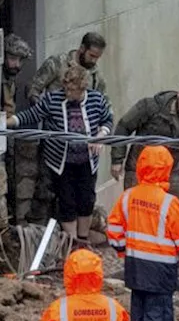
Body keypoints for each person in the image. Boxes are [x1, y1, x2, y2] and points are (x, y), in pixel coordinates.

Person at [106, 145, 179, 321]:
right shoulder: (169, 203)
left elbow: (113, 230)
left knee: (139, 318)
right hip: (161, 269)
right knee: (159, 320)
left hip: (134, 266)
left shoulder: (128, 197)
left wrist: (124, 251)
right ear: (166, 169)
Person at [8, 64, 113, 243]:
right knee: (67, 202)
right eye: (67, 89)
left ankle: (83, 239)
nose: (68, 93)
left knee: (86, 200)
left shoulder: (96, 99)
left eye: (73, 90)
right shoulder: (53, 100)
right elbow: (33, 115)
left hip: (87, 161)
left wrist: (100, 135)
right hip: (62, 162)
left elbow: (108, 120)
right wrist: (9, 122)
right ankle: (71, 242)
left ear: (82, 89)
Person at [110, 83, 179, 199]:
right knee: (137, 209)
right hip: (139, 169)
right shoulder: (151, 107)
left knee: (177, 210)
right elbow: (124, 126)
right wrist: (117, 160)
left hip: (170, 172)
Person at [1, 33, 32, 224]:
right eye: (12, 59)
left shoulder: (12, 77)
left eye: (20, 60)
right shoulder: (0, 78)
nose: (16, 65)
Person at [28, 31, 107, 102]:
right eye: (91, 56)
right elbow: (33, 88)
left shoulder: (96, 75)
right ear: (82, 48)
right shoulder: (58, 63)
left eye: (97, 57)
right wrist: (41, 111)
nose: (94, 60)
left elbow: (104, 102)